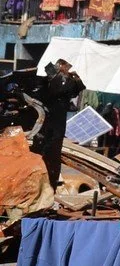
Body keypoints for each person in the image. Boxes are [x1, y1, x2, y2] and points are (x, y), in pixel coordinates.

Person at [32, 59, 84, 187]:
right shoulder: (48, 84)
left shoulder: (65, 84)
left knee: (51, 156)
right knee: (46, 156)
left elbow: (76, 88)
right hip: (48, 129)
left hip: (54, 130)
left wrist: (72, 78)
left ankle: (48, 185)